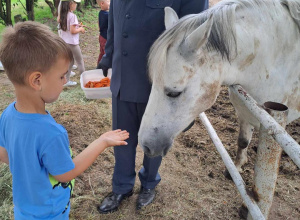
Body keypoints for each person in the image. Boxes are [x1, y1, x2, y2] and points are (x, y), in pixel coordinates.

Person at [0, 21, 129, 220]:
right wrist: (101, 141)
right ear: (37, 80)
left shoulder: (7, 115)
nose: (64, 81)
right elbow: (66, 174)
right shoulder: (51, 132)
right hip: (50, 213)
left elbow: (4, 154)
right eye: (62, 76)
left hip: (23, 210)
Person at [96, 0, 209, 213]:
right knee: (121, 138)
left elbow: (195, 43)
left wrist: (190, 97)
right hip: (122, 79)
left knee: (154, 139)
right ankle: (122, 186)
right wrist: (108, 57)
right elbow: (114, 24)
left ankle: (148, 183)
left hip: (157, 87)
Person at [59, 0, 85, 87]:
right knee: (80, 61)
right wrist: (80, 29)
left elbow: (68, 27)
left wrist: (77, 25)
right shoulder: (72, 16)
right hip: (72, 43)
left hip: (64, 42)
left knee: (70, 61)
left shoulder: (62, 15)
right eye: (75, 3)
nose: (76, 5)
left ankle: (66, 80)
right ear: (70, 4)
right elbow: (73, 31)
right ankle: (84, 80)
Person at [96, 0, 110, 65]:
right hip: (105, 38)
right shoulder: (107, 15)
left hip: (101, 36)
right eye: (108, 1)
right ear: (102, 3)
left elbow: (99, 24)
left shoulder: (101, 13)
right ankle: (104, 66)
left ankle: (99, 64)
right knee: (106, 53)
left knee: (102, 52)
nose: (110, 3)